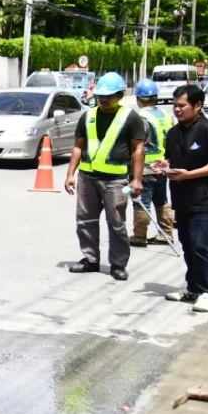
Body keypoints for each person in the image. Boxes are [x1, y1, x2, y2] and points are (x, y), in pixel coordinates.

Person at [63, 73, 148, 281]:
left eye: (108, 96)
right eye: (100, 95)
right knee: (85, 220)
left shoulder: (130, 117)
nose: (103, 99)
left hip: (116, 180)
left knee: (116, 222)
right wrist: (70, 174)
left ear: (119, 95)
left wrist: (136, 179)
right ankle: (90, 259)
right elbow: (77, 147)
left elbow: (138, 149)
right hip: (87, 178)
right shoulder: (88, 116)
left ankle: (118, 263)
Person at [161, 83, 208, 312]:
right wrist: (164, 165)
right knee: (187, 244)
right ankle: (192, 287)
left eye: (182, 105)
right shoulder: (174, 133)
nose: (177, 110)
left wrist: (189, 175)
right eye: (175, 105)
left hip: (204, 200)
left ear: (198, 105)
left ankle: (205, 292)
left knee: (200, 245)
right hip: (181, 198)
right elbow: (171, 159)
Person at [130, 78, 175, 246]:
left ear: (138, 99)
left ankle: (139, 236)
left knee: (141, 201)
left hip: (144, 167)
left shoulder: (139, 117)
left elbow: (135, 144)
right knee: (161, 200)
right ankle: (166, 234)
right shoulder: (166, 115)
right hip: (162, 166)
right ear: (156, 97)